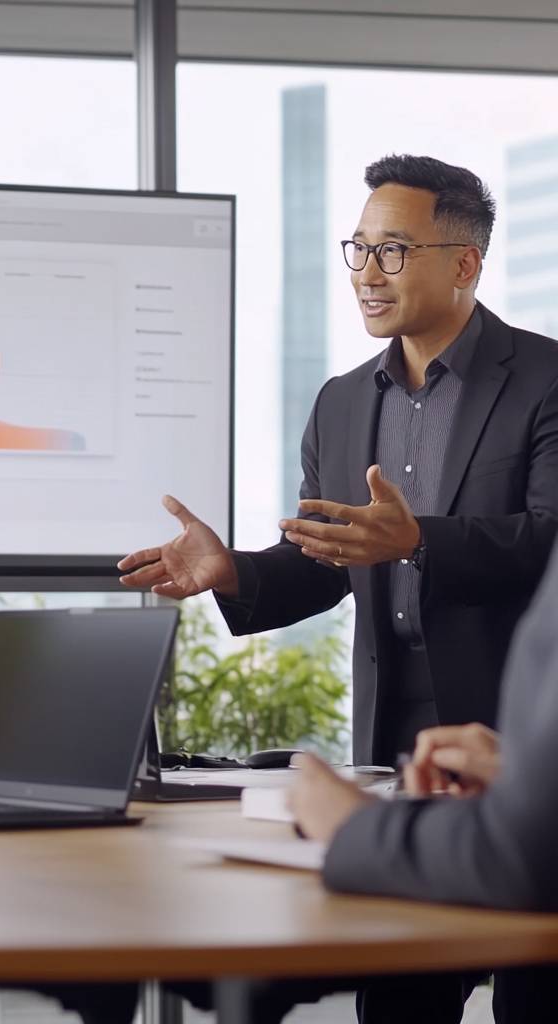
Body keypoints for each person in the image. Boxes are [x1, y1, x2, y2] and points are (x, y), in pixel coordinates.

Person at [118, 154, 558, 1023]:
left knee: (533, 990)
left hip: (517, 736)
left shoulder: (545, 380)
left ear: (465, 264)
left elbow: (549, 541)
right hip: (391, 737)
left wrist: (421, 539)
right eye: (358, 249)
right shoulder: (342, 401)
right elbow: (332, 562)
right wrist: (234, 570)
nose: (366, 273)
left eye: (392, 252)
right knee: (397, 992)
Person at [283, 535, 558, 1024]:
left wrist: (354, 828)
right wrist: (526, 771)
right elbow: (320, 548)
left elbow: (530, 855)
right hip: (414, 735)